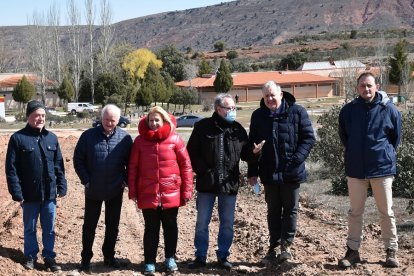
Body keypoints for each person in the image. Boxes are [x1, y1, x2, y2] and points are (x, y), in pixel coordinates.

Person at [187, 93, 264, 270]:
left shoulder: (238, 129)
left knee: (227, 223)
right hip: (207, 184)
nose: (232, 111)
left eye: (234, 108)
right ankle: (200, 256)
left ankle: (223, 256)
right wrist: (205, 172)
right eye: (229, 108)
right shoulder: (202, 127)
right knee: (202, 222)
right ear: (218, 109)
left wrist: (255, 153)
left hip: (229, 185)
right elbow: (192, 153)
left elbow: (245, 156)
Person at [338, 72, 401, 268]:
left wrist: (382, 154)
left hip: (381, 168)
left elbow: (395, 138)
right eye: (362, 86)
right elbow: (344, 137)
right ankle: (353, 251)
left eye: (369, 85)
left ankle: (391, 251)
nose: (366, 89)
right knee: (355, 212)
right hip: (356, 169)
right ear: (357, 88)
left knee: (386, 212)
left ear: (377, 86)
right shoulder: (348, 111)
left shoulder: (389, 109)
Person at [248, 81, 315, 263]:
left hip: (291, 172)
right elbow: (252, 147)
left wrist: (296, 160)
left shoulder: (297, 112)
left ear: (281, 94)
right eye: (266, 96)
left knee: (290, 210)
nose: (270, 99)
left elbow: (308, 138)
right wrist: (253, 172)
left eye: (272, 95)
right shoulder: (258, 116)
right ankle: (274, 246)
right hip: (269, 172)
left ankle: (287, 246)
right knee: (273, 211)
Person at [128, 106, 193, 275]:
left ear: (164, 120)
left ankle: (170, 258)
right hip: (148, 193)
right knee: (151, 229)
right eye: (151, 120)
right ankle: (149, 262)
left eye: (157, 120)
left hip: (170, 192)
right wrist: (133, 191)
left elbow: (186, 166)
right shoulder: (140, 142)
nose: (154, 123)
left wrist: (187, 191)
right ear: (147, 122)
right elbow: (133, 167)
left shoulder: (175, 139)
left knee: (170, 227)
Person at [5, 100, 67, 272]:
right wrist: (17, 193)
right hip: (29, 194)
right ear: (28, 117)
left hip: (49, 194)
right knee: (30, 228)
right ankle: (30, 256)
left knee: (49, 229)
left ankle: (49, 257)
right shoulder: (18, 138)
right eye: (36, 115)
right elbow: (11, 169)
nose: (40, 118)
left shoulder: (52, 138)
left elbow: (59, 165)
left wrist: (62, 185)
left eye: (43, 115)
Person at [73, 104, 133, 272]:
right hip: (94, 189)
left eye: (113, 120)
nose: (109, 123)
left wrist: (125, 180)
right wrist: (86, 180)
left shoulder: (125, 138)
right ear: (101, 118)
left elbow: (132, 163)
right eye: (106, 119)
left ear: (118, 120)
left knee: (112, 226)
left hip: (115, 189)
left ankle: (109, 256)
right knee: (89, 226)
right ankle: (86, 259)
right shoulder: (88, 136)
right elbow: (78, 160)